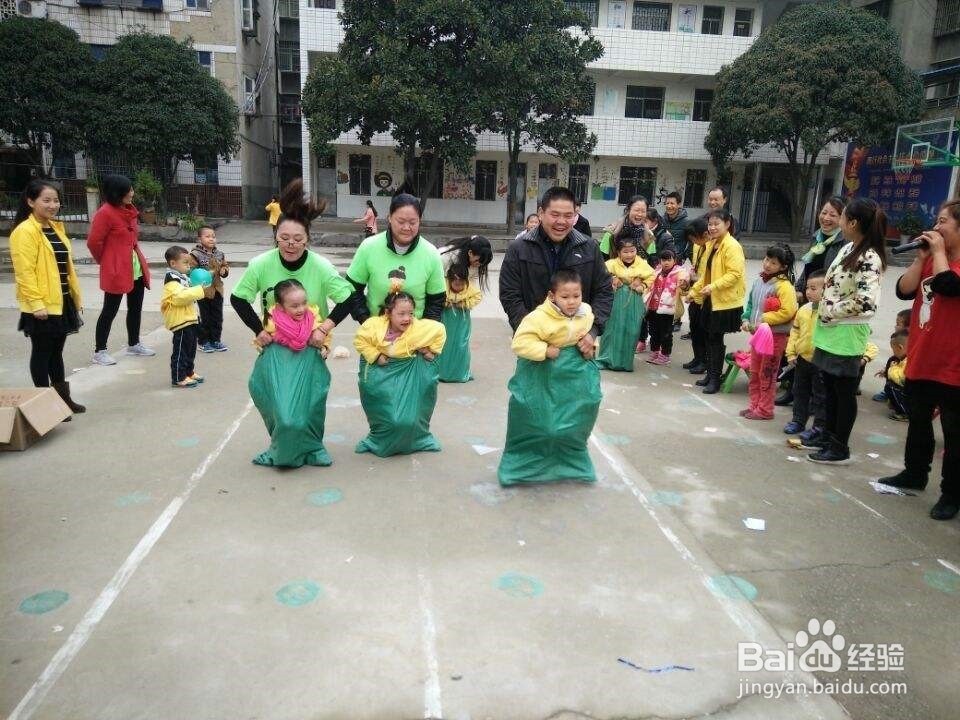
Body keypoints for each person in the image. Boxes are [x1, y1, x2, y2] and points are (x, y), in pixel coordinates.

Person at [878, 200, 960, 520]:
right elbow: (903, 290)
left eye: (943, 222)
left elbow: (948, 287)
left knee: (954, 434)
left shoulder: (952, 265)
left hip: (953, 364)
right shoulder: (931, 260)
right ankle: (914, 473)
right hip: (923, 357)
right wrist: (920, 258)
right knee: (919, 421)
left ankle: (951, 493)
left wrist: (938, 253)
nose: (936, 227)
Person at [499, 270, 601, 485]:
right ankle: (523, 464)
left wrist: (591, 343)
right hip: (542, 373)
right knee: (540, 421)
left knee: (582, 412)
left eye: (577, 296)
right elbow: (520, 343)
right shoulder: (537, 318)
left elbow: (587, 334)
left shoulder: (586, 312)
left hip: (575, 373)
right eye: (565, 297)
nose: (572, 302)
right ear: (552, 296)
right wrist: (544, 350)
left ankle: (571, 463)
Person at [808, 197, 887, 464]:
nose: (838, 221)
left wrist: (831, 308)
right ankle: (827, 436)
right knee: (828, 388)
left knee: (843, 393)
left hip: (847, 333)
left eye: (842, 217)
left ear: (852, 222)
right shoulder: (848, 248)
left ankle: (839, 445)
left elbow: (866, 301)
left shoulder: (869, 257)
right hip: (831, 331)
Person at [231, 180, 355, 349]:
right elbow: (238, 298)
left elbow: (348, 299)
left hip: (311, 344)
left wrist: (323, 330)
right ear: (275, 236)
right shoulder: (260, 264)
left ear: (307, 239)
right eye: (284, 238)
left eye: (298, 239)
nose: (291, 244)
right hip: (274, 345)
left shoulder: (321, 266)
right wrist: (259, 331)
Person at [500, 186, 613, 356]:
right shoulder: (519, 248)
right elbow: (510, 294)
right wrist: (532, 331)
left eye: (568, 215)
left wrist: (592, 332)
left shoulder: (589, 248)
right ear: (541, 213)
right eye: (555, 214)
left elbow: (604, 291)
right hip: (536, 346)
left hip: (579, 346)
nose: (561, 221)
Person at [10, 179, 85, 417]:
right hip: (41, 305)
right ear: (30, 201)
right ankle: (43, 408)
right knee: (42, 353)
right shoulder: (24, 231)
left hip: (62, 301)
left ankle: (62, 400)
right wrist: (36, 304)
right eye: (46, 200)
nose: (53, 205)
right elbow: (25, 272)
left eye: (55, 200)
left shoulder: (55, 228)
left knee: (56, 353)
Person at [248, 279, 335, 468]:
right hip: (283, 373)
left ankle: (314, 449)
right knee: (285, 416)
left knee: (312, 409)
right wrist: (263, 347)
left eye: (303, 303)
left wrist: (325, 347)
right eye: (294, 305)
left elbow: (324, 336)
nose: (301, 309)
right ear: (280, 306)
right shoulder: (271, 323)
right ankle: (281, 449)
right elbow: (260, 342)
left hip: (309, 372)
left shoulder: (313, 317)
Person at [353, 291, 447, 457]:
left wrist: (429, 351)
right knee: (386, 415)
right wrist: (376, 355)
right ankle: (375, 439)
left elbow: (440, 330)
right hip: (381, 376)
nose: (406, 318)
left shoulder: (419, 329)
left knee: (408, 418)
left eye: (410, 313)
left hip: (409, 376)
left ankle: (421, 438)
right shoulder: (373, 326)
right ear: (388, 313)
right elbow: (360, 341)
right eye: (401, 314)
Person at [345, 193, 446, 323]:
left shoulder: (431, 253)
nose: (406, 227)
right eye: (401, 221)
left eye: (412, 222)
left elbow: (436, 301)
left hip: (414, 336)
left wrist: (423, 334)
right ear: (390, 218)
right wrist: (365, 320)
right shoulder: (369, 247)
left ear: (419, 221)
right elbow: (351, 289)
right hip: (375, 334)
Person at [87, 174, 153, 365]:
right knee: (110, 310)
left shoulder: (129, 210)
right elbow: (94, 242)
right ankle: (100, 351)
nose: (132, 193)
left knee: (135, 308)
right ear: (117, 193)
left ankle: (134, 343)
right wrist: (107, 261)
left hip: (135, 268)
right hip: (116, 269)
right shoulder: (105, 213)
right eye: (128, 190)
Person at [689, 208, 746, 394]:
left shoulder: (732, 245)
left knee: (715, 338)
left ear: (727, 224)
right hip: (710, 298)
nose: (712, 228)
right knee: (708, 336)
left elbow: (735, 274)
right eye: (710, 224)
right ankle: (711, 374)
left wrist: (713, 287)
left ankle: (715, 378)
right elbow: (706, 273)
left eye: (716, 224)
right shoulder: (712, 244)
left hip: (724, 301)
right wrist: (694, 291)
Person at [739, 244, 799, 420]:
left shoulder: (784, 286)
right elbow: (751, 304)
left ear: (783, 267)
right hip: (759, 334)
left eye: (773, 263)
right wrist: (745, 318)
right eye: (767, 259)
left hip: (775, 336)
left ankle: (765, 410)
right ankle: (754, 405)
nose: (767, 264)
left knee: (767, 374)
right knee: (755, 371)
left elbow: (788, 311)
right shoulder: (759, 281)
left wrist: (763, 320)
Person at [161, 246, 217, 388]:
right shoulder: (172, 281)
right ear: (173, 264)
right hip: (180, 322)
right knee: (181, 351)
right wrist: (198, 289)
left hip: (190, 319)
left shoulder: (182, 277)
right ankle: (179, 377)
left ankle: (189, 372)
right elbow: (179, 298)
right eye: (185, 263)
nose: (189, 266)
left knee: (191, 348)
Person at [597, 235, 654, 371]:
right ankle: (605, 360)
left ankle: (625, 362)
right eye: (625, 252)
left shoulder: (642, 264)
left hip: (633, 298)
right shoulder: (611, 264)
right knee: (611, 329)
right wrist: (613, 278)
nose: (629, 255)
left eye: (632, 251)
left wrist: (643, 285)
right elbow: (601, 275)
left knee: (631, 330)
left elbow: (652, 276)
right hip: (615, 298)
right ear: (618, 253)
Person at [783, 270, 826, 442]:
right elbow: (795, 331)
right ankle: (798, 421)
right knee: (799, 391)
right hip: (802, 359)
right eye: (808, 287)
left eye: (814, 288)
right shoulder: (804, 310)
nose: (808, 291)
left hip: (821, 361)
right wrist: (791, 352)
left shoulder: (828, 312)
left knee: (820, 396)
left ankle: (819, 426)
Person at [437, 263, 482, 383]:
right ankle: (443, 373)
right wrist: (446, 303)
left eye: (462, 284)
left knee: (461, 344)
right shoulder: (442, 286)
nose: (459, 287)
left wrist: (463, 304)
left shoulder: (470, 288)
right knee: (445, 344)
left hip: (462, 320)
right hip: (446, 319)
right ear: (450, 281)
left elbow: (477, 297)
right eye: (456, 284)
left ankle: (461, 373)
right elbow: (438, 297)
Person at [190, 226, 229, 353]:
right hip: (203, 292)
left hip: (217, 289)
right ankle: (203, 341)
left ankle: (215, 340)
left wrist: (224, 271)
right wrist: (207, 274)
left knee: (217, 317)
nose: (211, 239)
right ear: (199, 238)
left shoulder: (219, 254)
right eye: (207, 236)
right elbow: (192, 272)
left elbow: (224, 266)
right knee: (205, 317)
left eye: (213, 236)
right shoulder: (195, 254)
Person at [680, 219, 711, 374]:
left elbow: (707, 275)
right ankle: (697, 358)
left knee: (703, 330)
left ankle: (704, 361)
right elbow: (697, 267)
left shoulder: (712, 248)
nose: (693, 242)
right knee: (695, 329)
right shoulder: (699, 246)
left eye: (694, 239)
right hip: (695, 293)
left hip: (705, 295)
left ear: (704, 234)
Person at [645, 249, 685, 365]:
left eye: (669, 260)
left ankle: (665, 355)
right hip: (653, 307)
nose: (666, 262)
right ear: (660, 261)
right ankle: (655, 351)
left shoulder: (679, 273)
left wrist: (684, 284)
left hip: (668, 310)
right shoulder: (656, 271)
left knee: (666, 334)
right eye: (663, 260)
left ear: (674, 261)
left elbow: (684, 285)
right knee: (653, 331)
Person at [598, 195, 655, 260]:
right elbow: (601, 260)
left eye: (643, 211)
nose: (640, 214)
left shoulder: (649, 235)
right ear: (628, 210)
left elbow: (651, 262)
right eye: (636, 210)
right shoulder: (612, 232)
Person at [875, 330, 909, 421]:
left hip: (913, 396)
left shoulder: (908, 360)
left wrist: (889, 370)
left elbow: (901, 378)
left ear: (900, 347)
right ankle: (899, 405)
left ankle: (906, 413)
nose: (893, 352)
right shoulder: (904, 358)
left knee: (890, 387)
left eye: (893, 349)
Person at [663, 191, 690, 261]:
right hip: (663, 259)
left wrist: (684, 256)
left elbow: (691, 243)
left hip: (677, 260)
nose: (669, 206)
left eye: (672, 203)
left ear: (679, 205)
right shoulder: (662, 220)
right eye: (667, 203)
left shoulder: (686, 222)